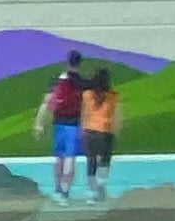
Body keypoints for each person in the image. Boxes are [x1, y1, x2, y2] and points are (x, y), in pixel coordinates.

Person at [42, 54, 89, 199]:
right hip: (74, 124)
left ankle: (57, 188)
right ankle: (65, 192)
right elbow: (86, 106)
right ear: (79, 64)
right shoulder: (81, 83)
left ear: (67, 62)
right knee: (70, 159)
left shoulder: (59, 81)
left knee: (59, 158)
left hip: (59, 123)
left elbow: (48, 102)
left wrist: (40, 121)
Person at [81, 60, 120, 199]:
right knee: (104, 161)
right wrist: (116, 131)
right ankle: (101, 188)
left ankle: (91, 190)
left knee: (91, 160)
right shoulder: (112, 96)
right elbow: (115, 115)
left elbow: (84, 114)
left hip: (89, 131)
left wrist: (83, 129)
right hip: (105, 131)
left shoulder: (87, 95)